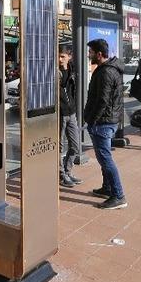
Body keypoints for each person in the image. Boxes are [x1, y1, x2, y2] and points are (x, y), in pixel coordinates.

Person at [83, 39, 127, 210]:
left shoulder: (105, 72)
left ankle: (118, 195)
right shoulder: (108, 69)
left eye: (91, 52)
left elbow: (103, 101)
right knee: (104, 158)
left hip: (103, 122)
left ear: (99, 54)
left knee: (105, 158)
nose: (89, 55)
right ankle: (107, 188)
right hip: (106, 120)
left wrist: (92, 120)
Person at [58, 46, 82, 187]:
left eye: (63, 56)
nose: (60, 59)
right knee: (60, 147)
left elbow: (72, 91)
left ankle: (68, 171)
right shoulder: (54, 71)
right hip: (60, 113)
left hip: (71, 112)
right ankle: (61, 175)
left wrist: (73, 106)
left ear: (69, 56)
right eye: (58, 56)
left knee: (75, 145)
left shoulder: (72, 70)